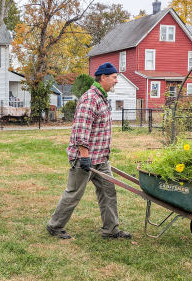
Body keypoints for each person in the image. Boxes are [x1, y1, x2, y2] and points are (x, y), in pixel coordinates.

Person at [46, 62, 132, 240]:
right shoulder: (90, 98)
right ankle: (55, 226)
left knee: (109, 192)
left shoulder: (102, 97)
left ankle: (111, 230)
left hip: (101, 159)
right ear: (103, 77)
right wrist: (84, 157)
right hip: (84, 159)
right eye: (114, 77)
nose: (116, 81)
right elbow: (81, 130)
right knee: (74, 193)